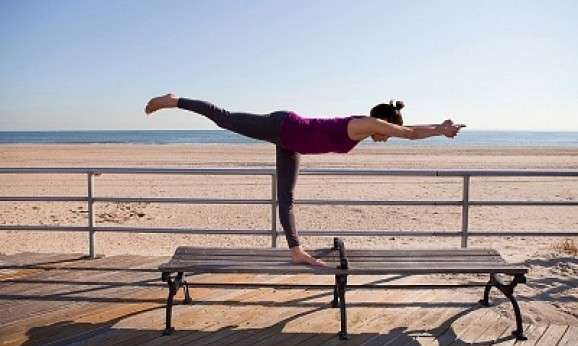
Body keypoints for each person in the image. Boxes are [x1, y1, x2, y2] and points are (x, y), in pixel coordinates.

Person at [145, 94, 465, 267]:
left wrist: (437, 126)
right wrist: (440, 129)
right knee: (226, 119)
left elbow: (407, 131)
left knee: (287, 199)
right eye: (388, 134)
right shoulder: (367, 123)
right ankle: (175, 100)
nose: (387, 138)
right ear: (383, 125)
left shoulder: (368, 128)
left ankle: (296, 250)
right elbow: (409, 134)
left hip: (292, 142)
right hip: (284, 126)